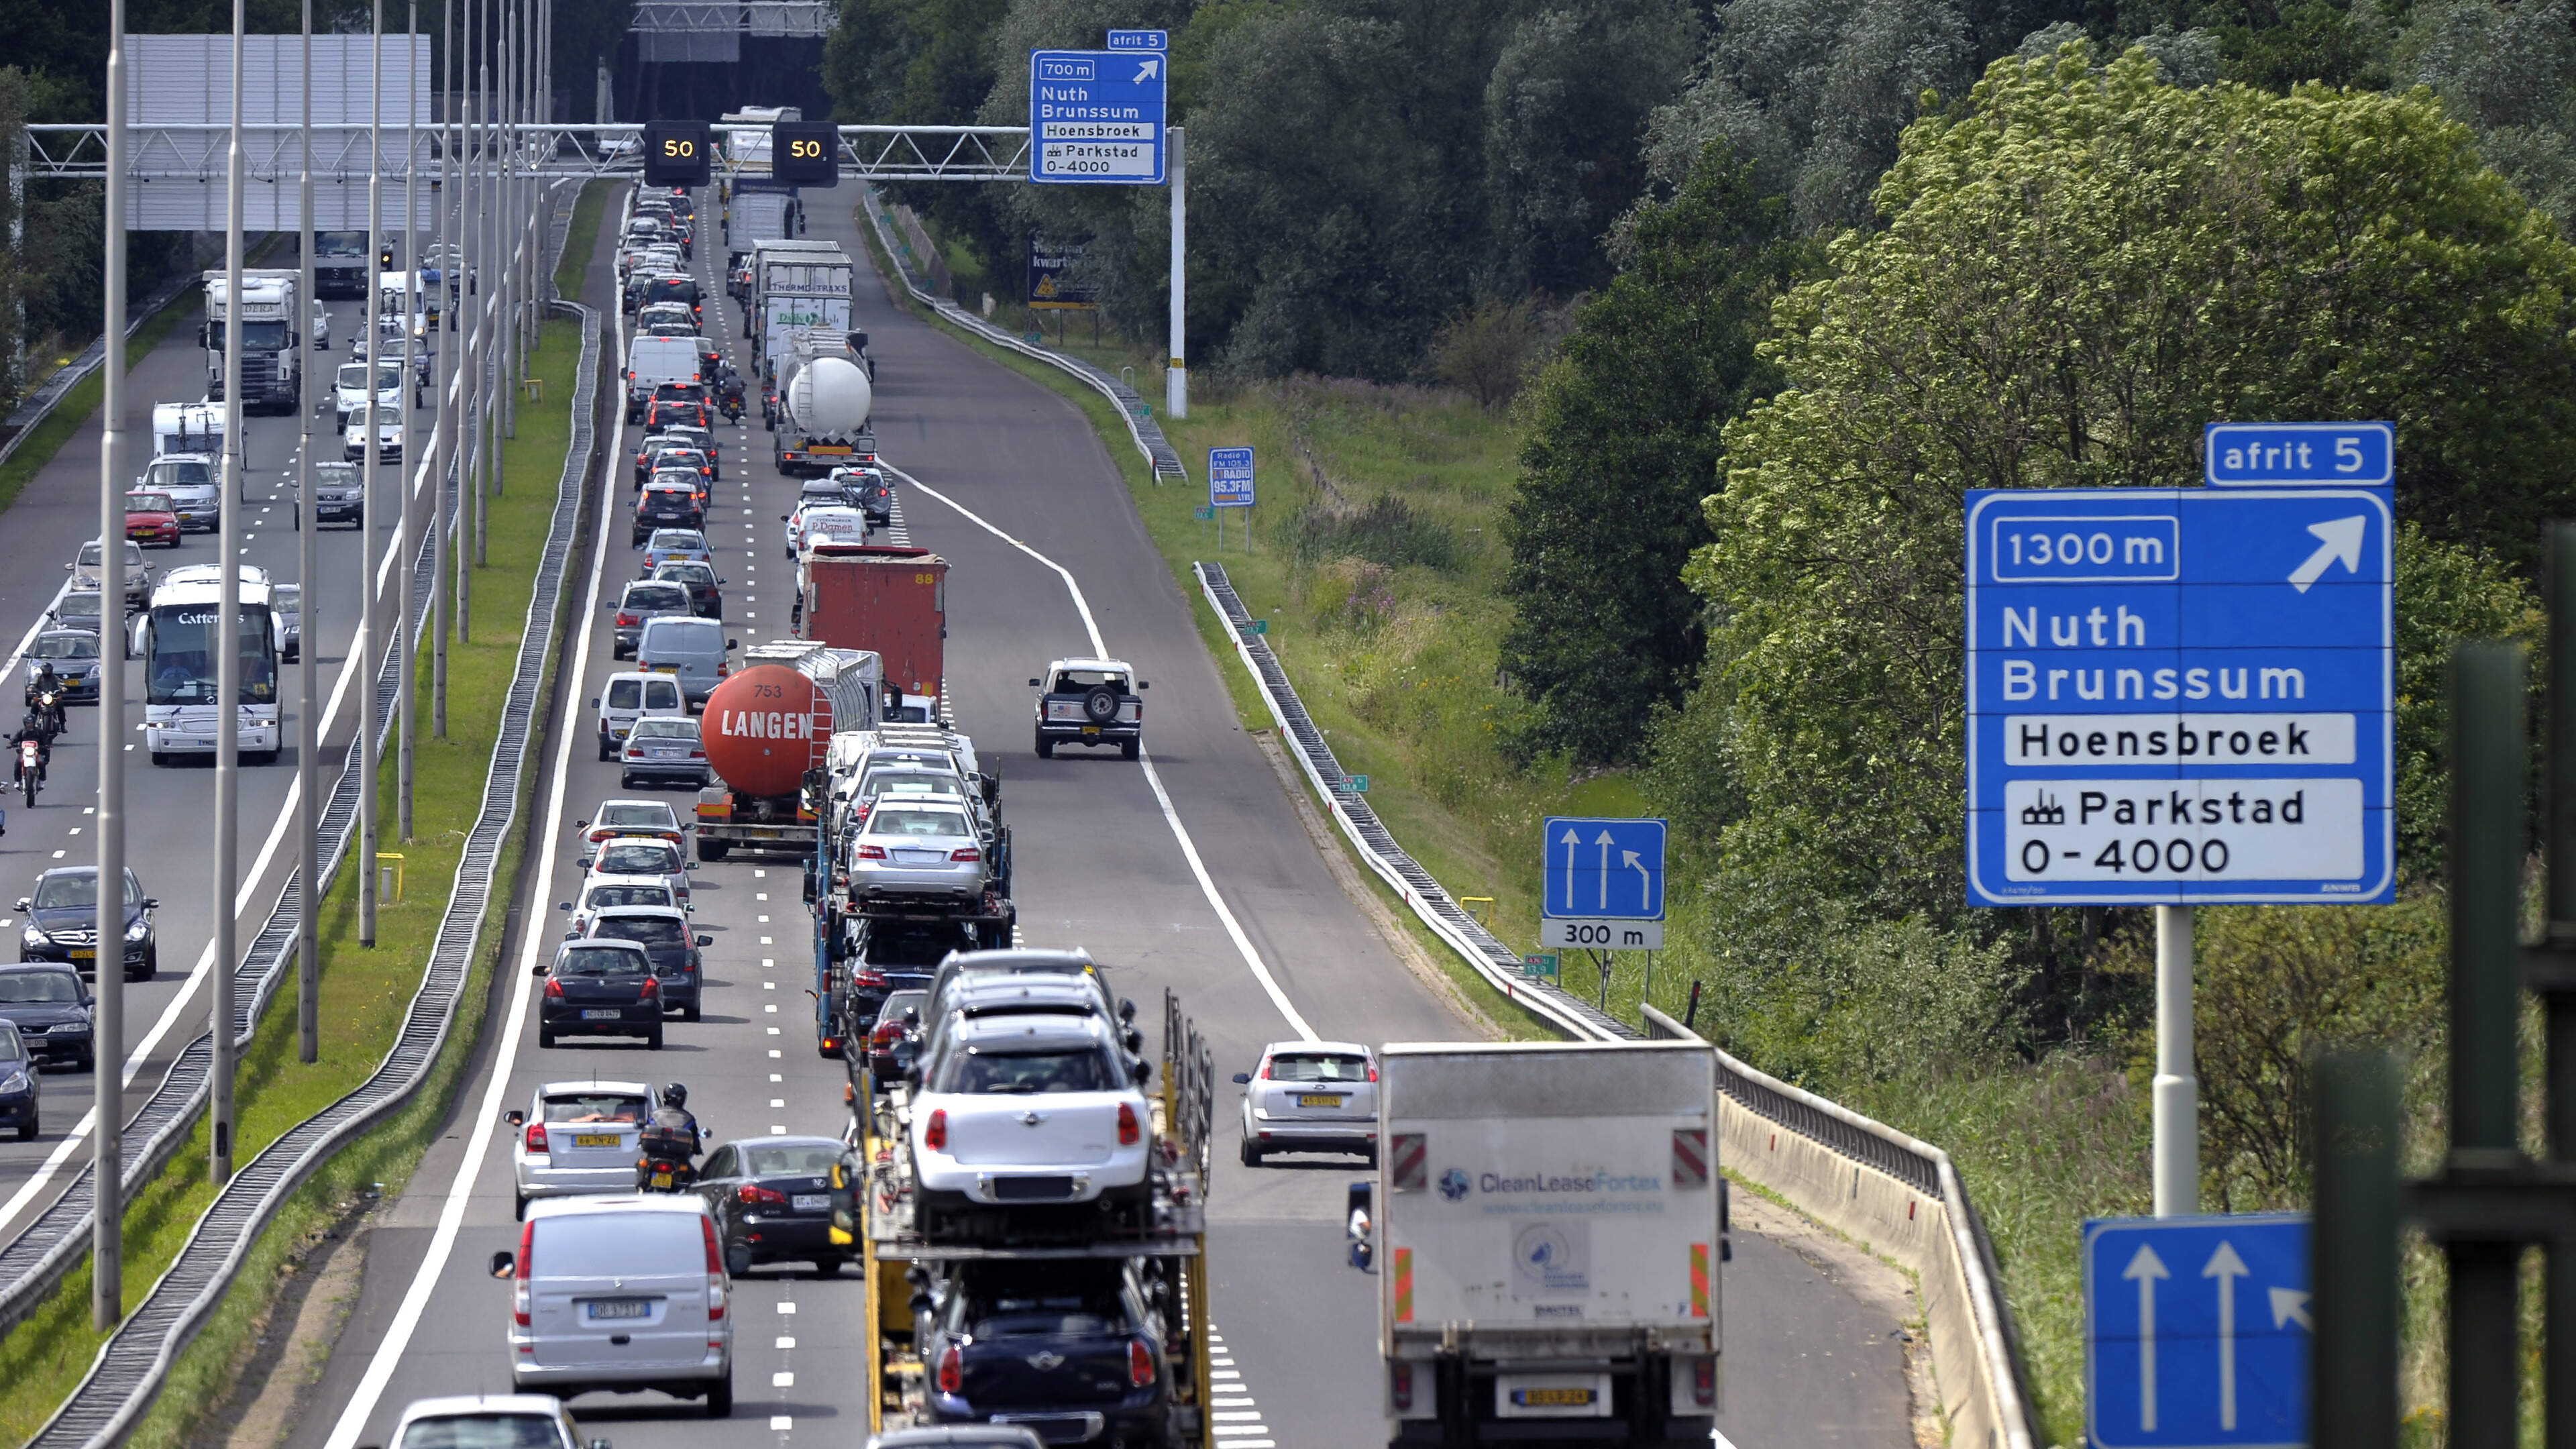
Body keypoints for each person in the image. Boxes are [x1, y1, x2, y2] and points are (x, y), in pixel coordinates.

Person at [637, 1081, 702, 1187]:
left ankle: (642, 1185)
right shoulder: (689, 1118)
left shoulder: (654, 1115)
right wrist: (698, 1150)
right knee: (693, 1178)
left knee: (641, 1165)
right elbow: (695, 1140)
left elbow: (645, 1130)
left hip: (655, 1155)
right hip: (678, 1158)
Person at [7, 710, 53, 784]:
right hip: (24, 752)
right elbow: (15, 739)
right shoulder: (22, 731)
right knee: (17, 763)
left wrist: (47, 745)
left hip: (37, 752)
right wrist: (11, 743)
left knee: (41, 763)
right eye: (28, 723)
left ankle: (42, 781)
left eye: (31, 723)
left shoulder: (39, 731)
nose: (29, 725)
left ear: (34, 723)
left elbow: (45, 740)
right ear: (25, 724)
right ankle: (17, 781)